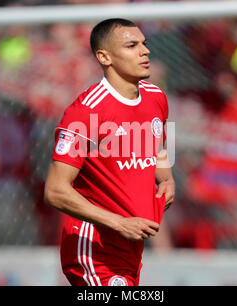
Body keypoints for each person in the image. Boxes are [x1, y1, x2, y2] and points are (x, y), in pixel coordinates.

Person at [44, 18, 175, 286]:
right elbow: (55, 190)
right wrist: (118, 223)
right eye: (132, 45)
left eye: (144, 43)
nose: (145, 51)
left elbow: (158, 142)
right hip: (93, 247)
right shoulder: (85, 112)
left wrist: (166, 178)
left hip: (131, 247)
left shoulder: (155, 97)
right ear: (105, 57)